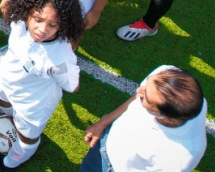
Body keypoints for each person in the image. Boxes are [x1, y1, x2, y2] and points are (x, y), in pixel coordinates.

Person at [0, 0, 83, 169]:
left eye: (52, 25)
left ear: (62, 25)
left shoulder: (60, 57)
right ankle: (9, 116)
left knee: (27, 137)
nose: (42, 30)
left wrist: (59, 71)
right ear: (28, 11)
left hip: (33, 103)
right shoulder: (19, 20)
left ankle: (9, 163)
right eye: (38, 20)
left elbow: (73, 86)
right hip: (7, 78)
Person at [79, 66, 208, 172]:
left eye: (144, 98)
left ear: (170, 119)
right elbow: (136, 97)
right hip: (105, 143)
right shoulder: (165, 76)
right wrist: (103, 123)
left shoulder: (180, 158)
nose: (139, 90)